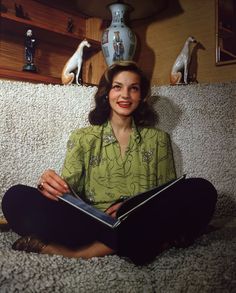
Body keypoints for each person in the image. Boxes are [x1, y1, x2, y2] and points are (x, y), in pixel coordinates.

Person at [1, 61, 217, 265]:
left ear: (141, 96)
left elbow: (167, 194)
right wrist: (50, 183)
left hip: (143, 220)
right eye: (117, 87)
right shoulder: (83, 137)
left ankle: (82, 252)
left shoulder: (158, 139)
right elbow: (68, 189)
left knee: (202, 190)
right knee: (16, 197)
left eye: (134, 88)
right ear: (107, 94)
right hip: (93, 223)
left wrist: (130, 208)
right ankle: (142, 245)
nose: (125, 94)